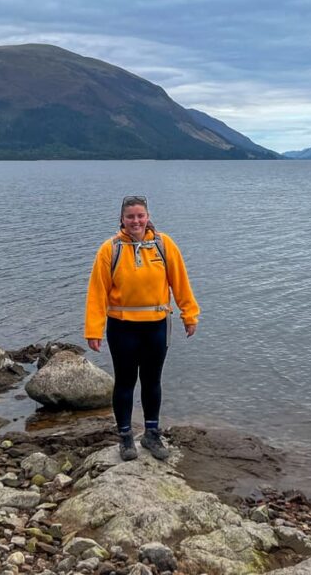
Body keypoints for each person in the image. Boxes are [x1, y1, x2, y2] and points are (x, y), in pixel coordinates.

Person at [85, 195, 199, 461]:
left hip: (157, 326)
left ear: (147, 217)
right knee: (125, 382)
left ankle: (151, 433)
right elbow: (97, 292)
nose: (136, 221)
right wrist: (94, 329)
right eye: (130, 217)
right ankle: (125, 438)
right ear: (122, 219)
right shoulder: (110, 249)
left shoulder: (163, 245)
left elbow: (180, 281)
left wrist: (189, 314)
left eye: (140, 216)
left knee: (152, 381)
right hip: (122, 328)